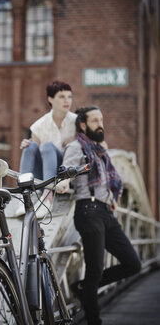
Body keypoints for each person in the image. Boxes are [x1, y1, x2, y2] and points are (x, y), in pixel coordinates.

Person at [57, 106, 141, 325]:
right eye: (95, 121)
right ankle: (94, 320)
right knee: (94, 270)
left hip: (105, 212)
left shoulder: (100, 152)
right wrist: (64, 181)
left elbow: (111, 180)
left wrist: (112, 197)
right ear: (83, 125)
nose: (100, 124)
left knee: (133, 263)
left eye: (101, 119)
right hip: (88, 211)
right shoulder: (77, 147)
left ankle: (84, 288)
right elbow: (67, 169)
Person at [15, 80, 77, 218]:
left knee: (48, 146)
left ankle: (48, 199)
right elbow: (33, 151)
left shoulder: (77, 122)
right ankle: (23, 196)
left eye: (69, 97)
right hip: (46, 177)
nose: (67, 101)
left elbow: (90, 147)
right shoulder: (39, 125)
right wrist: (28, 143)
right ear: (50, 99)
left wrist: (76, 139)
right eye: (62, 97)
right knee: (30, 145)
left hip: (68, 178)